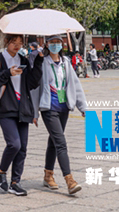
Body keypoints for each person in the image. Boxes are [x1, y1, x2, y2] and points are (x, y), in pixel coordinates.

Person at [0, 31, 44, 197]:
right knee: (14, 144)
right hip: (6, 108)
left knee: (23, 148)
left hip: (23, 108)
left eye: (20, 42)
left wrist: (39, 61)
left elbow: (32, 83)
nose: (17, 45)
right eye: (13, 42)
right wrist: (8, 73)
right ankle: (1, 171)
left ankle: (15, 182)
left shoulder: (23, 60)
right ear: (6, 42)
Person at [31, 34, 86, 195]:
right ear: (46, 44)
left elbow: (75, 85)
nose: (55, 45)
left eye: (58, 42)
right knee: (61, 143)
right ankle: (69, 180)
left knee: (54, 141)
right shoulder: (43, 63)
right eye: (52, 42)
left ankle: (48, 175)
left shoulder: (66, 63)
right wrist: (35, 112)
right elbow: (35, 89)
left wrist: (83, 108)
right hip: (49, 108)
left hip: (64, 108)